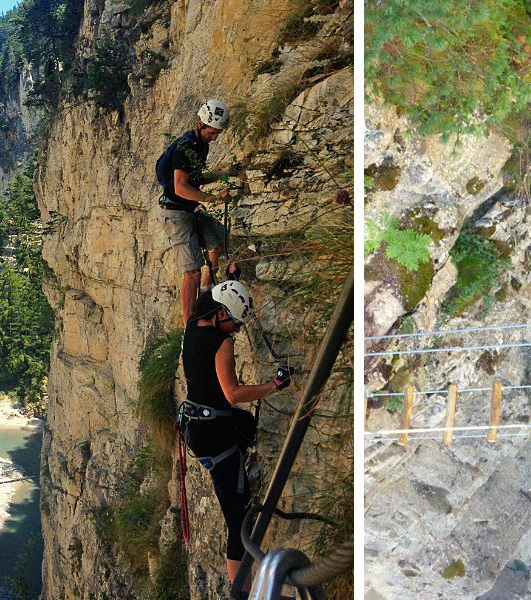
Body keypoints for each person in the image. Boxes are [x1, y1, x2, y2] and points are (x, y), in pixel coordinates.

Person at [179, 280, 292, 589]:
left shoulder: (191, 322)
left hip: (198, 425)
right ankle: (241, 592)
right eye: (235, 322)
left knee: (244, 425)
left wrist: (222, 274)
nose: (238, 330)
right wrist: (275, 386)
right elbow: (232, 393)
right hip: (215, 433)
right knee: (238, 517)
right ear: (219, 314)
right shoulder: (221, 341)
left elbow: (196, 290)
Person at [158, 99, 240, 323]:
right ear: (200, 124)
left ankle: (206, 292)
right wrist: (212, 199)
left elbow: (196, 179)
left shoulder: (200, 145)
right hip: (176, 214)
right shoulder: (185, 147)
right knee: (191, 272)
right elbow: (181, 187)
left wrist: (224, 173)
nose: (214, 138)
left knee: (222, 239)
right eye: (212, 133)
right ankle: (190, 327)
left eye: (217, 134)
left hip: (189, 209)